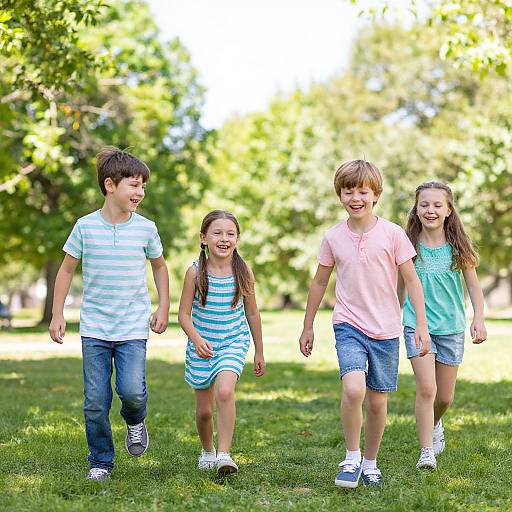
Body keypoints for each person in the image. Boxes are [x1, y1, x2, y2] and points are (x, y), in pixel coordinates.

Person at [299, 159, 430, 488]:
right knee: (354, 388)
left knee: (377, 400)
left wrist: (421, 325)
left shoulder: (393, 234)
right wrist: (308, 325)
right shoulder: (333, 237)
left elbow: (412, 281)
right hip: (349, 324)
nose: (355, 197)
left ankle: (371, 463)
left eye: (362, 191)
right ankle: (351, 456)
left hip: (386, 328)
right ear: (339, 195)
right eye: (348, 191)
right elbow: (319, 283)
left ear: (376, 195)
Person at [49, 147, 170, 481]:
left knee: (132, 390)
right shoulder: (84, 227)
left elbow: (159, 267)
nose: (140, 192)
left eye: (143, 186)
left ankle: (135, 420)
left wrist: (163, 305)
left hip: (132, 325)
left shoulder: (146, 228)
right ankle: (100, 461)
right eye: (134, 185)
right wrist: (58, 313)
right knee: (95, 400)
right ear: (110, 186)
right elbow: (65, 271)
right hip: (95, 327)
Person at [398, 181, 486, 470]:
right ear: (416, 208)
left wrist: (479, 318)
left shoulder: (458, 246)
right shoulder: (407, 245)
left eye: (437, 205)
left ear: (449, 210)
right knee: (426, 389)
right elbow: (400, 288)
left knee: (444, 397)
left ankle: (435, 424)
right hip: (416, 325)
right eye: (424, 204)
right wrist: (392, 315)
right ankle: (426, 451)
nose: (430, 210)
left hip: (451, 327)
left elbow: (473, 287)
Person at [178, 210, 265, 475]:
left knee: (225, 392)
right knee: (204, 412)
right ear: (203, 238)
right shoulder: (194, 272)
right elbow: (183, 314)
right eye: (217, 233)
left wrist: (259, 350)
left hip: (233, 342)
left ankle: (224, 455)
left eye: (230, 234)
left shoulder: (243, 270)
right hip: (202, 346)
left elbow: (252, 311)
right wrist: (196, 339)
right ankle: (207, 450)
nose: (224, 239)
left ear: (237, 239)